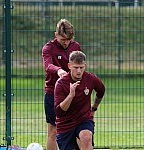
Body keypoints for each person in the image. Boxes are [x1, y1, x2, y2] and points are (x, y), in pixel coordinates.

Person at [42, 19, 82, 150]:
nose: (66, 43)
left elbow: (80, 66)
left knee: (78, 130)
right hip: (52, 92)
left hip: (72, 92)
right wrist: (58, 70)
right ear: (56, 35)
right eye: (63, 39)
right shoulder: (48, 48)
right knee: (53, 131)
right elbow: (48, 66)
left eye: (68, 40)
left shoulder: (76, 47)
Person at [54, 51, 105, 150]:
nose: (78, 71)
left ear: (85, 65)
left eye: (81, 67)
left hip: (83, 119)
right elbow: (59, 112)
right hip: (65, 124)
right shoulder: (61, 83)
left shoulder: (90, 78)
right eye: (76, 67)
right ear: (69, 66)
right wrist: (71, 95)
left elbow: (101, 91)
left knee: (86, 138)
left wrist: (93, 109)